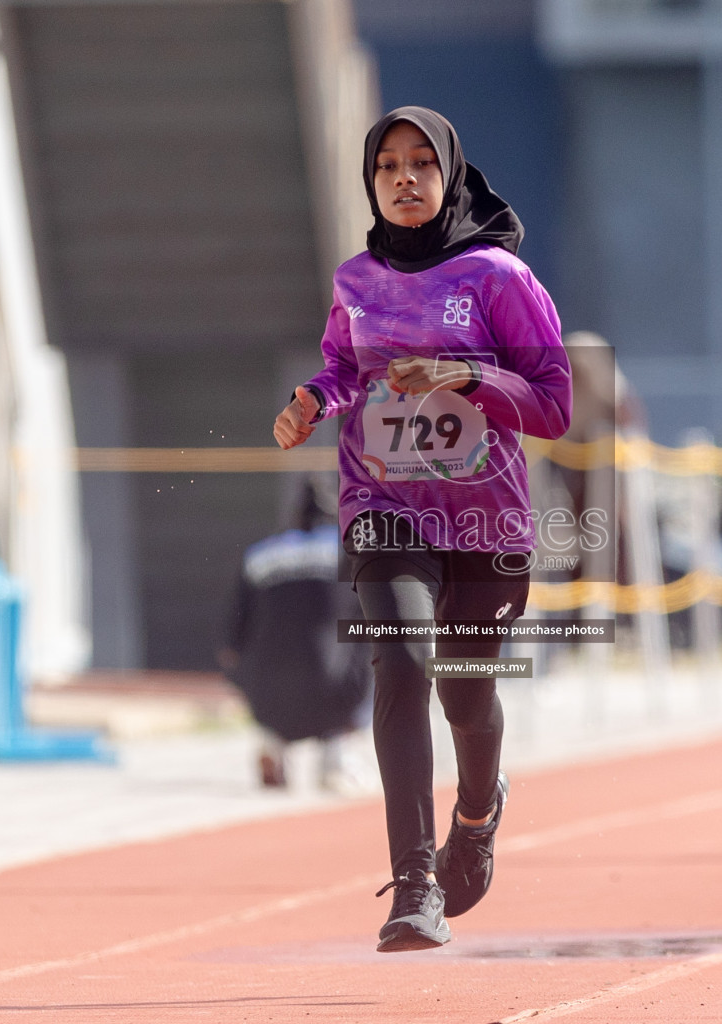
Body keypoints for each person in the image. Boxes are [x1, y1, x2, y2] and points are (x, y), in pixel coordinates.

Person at [273, 106, 571, 950]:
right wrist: (311, 402)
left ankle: (476, 814)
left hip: (485, 523)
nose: (404, 180)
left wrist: (463, 377)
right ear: (371, 184)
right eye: (386, 168)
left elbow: (554, 404)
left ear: (448, 175)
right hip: (384, 507)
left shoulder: (498, 279)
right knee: (399, 656)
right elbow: (342, 369)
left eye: (420, 165)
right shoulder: (355, 280)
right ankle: (415, 883)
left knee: (465, 695)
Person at [219, 478, 372, 793]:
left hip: (268, 693)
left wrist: (241, 678)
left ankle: (272, 742)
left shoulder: (259, 555)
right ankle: (338, 755)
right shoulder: (352, 553)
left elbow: (230, 640)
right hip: (337, 691)